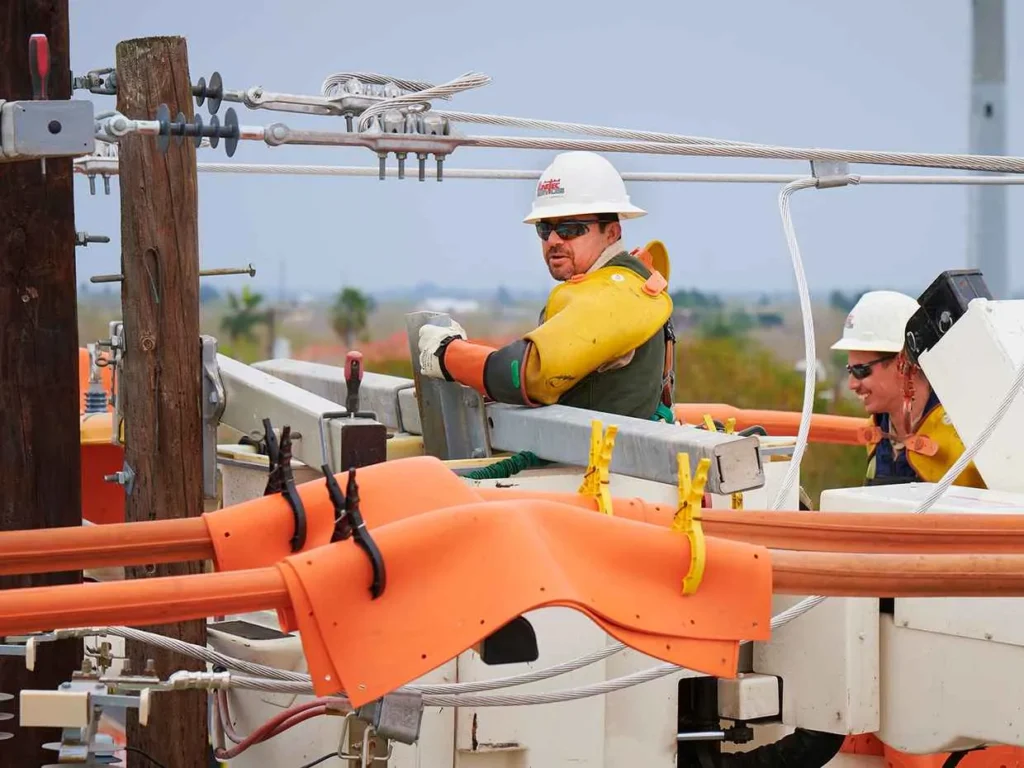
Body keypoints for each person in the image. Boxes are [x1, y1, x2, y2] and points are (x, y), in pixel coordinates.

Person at [416, 151, 677, 421]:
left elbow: (528, 373)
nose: (553, 239)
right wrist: (470, 350)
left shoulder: (614, 295)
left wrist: (448, 354)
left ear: (611, 232)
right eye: (545, 229)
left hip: (598, 458)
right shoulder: (614, 288)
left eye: (570, 228)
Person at [831, 290, 985, 488]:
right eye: (850, 370)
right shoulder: (878, 431)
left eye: (862, 371)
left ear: (904, 362)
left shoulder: (968, 435)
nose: (852, 384)